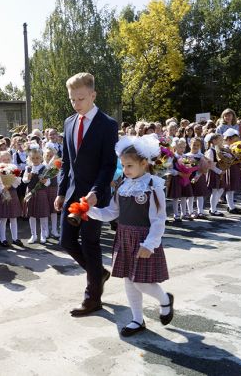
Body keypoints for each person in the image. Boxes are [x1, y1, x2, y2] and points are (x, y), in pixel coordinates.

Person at [87, 135, 173, 336]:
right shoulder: (123, 185)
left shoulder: (153, 185)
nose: (125, 171)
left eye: (129, 166)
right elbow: (111, 212)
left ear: (144, 163)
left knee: (140, 281)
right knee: (128, 279)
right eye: (123, 166)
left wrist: (150, 244)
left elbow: (159, 219)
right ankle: (137, 319)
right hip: (124, 236)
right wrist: (90, 210)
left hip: (143, 239)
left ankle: (165, 300)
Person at [54, 72, 118, 317]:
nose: (76, 103)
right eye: (72, 99)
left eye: (80, 98)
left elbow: (108, 165)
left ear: (93, 95)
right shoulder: (69, 123)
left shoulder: (107, 124)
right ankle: (98, 273)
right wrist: (61, 192)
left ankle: (93, 298)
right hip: (71, 195)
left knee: (90, 244)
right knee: (66, 242)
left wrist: (95, 192)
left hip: (94, 197)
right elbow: (67, 162)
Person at [0, 151, 23, 247]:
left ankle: (15, 238)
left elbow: (18, 180)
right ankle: (3, 239)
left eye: (8, 159)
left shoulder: (14, 168)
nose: (6, 161)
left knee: (13, 217)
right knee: (3, 218)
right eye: (3, 159)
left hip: (12, 193)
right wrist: (3, 188)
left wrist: (11, 184)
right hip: (3, 194)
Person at [23, 145, 50, 244]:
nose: (35, 160)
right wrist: (28, 178)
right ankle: (33, 235)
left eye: (37, 158)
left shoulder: (45, 168)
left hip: (41, 192)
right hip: (30, 192)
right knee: (32, 215)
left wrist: (44, 181)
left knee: (43, 215)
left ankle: (43, 234)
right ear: (30, 158)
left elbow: (48, 183)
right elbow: (24, 180)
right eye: (33, 158)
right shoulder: (28, 168)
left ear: (41, 157)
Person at [205, 134, 225, 217]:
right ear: (214, 141)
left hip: (218, 172)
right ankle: (213, 209)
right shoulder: (211, 151)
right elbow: (210, 165)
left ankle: (213, 207)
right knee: (215, 191)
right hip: (214, 172)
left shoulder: (217, 150)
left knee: (221, 189)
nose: (222, 142)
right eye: (220, 140)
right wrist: (219, 171)